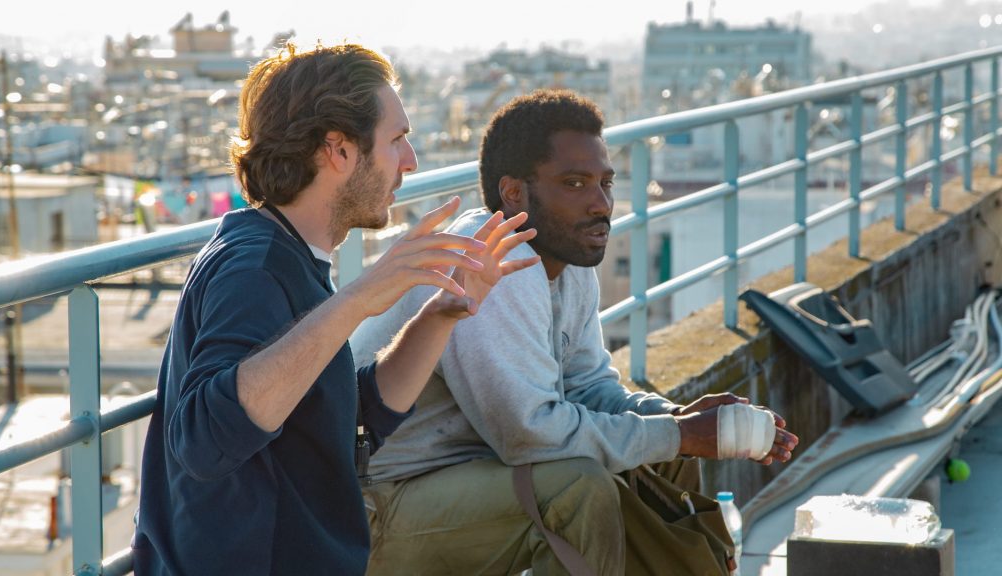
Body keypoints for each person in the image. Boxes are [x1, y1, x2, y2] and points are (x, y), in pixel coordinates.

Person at [351, 90, 800, 575]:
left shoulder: (565, 254)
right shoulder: (493, 262)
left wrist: (676, 418)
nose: (600, 204)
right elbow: (529, 435)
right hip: (380, 509)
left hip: (469, 477)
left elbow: (587, 387)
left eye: (605, 183)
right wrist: (680, 435)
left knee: (662, 455)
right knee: (579, 489)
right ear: (515, 193)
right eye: (575, 183)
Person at [131, 43, 539, 576]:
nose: (411, 161)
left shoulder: (288, 255)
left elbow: (350, 419)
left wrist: (444, 312)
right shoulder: (254, 270)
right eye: (397, 140)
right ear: (338, 151)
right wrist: (357, 300)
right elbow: (204, 441)